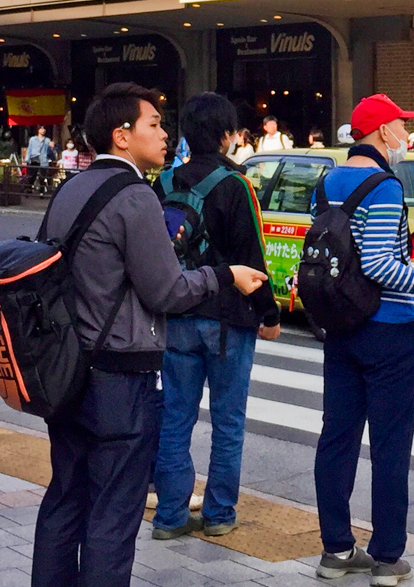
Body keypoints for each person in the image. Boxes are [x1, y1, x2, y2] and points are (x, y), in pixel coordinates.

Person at [31, 83, 266, 587]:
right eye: (154, 124)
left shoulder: (71, 188)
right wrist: (224, 276)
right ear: (122, 135)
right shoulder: (134, 195)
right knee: (114, 509)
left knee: (66, 498)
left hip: (67, 369)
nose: (165, 135)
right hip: (118, 375)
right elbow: (166, 290)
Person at [314, 95, 414, 586]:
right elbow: (380, 263)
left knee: (337, 438)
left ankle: (336, 549)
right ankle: (386, 557)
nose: (405, 135)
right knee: (390, 446)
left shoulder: (327, 182)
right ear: (383, 132)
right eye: (401, 127)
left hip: (342, 325)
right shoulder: (384, 186)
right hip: (391, 330)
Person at [152, 93, 282, 542]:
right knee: (228, 422)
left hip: (176, 313)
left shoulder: (163, 182)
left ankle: (169, 516)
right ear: (227, 135)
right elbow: (253, 256)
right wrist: (269, 313)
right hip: (227, 319)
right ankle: (220, 513)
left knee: (175, 417)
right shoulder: (236, 185)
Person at [26, 124, 56, 193]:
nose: (43, 130)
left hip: (43, 159)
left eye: (44, 129)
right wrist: (27, 160)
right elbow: (29, 149)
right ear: (38, 130)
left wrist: (52, 148)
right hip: (34, 158)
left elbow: (50, 151)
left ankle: (41, 192)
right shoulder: (33, 139)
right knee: (32, 175)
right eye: (41, 128)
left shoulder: (47, 140)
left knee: (42, 177)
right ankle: (29, 189)